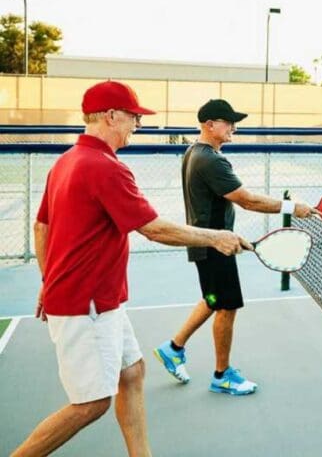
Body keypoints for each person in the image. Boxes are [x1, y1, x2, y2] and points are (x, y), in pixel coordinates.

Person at [13, 81, 248, 457]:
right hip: (86, 304)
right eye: (134, 117)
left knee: (132, 372)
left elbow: (41, 227)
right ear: (110, 116)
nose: (137, 125)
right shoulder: (105, 167)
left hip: (100, 300)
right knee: (91, 404)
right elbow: (153, 229)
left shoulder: (66, 160)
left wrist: (48, 278)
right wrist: (216, 237)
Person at [153, 99, 318, 396]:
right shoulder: (210, 160)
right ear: (209, 124)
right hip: (215, 245)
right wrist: (295, 207)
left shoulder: (193, 152)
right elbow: (248, 200)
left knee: (213, 298)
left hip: (207, 242)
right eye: (228, 122)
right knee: (227, 306)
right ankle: (222, 375)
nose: (233, 128)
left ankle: (173, 348)